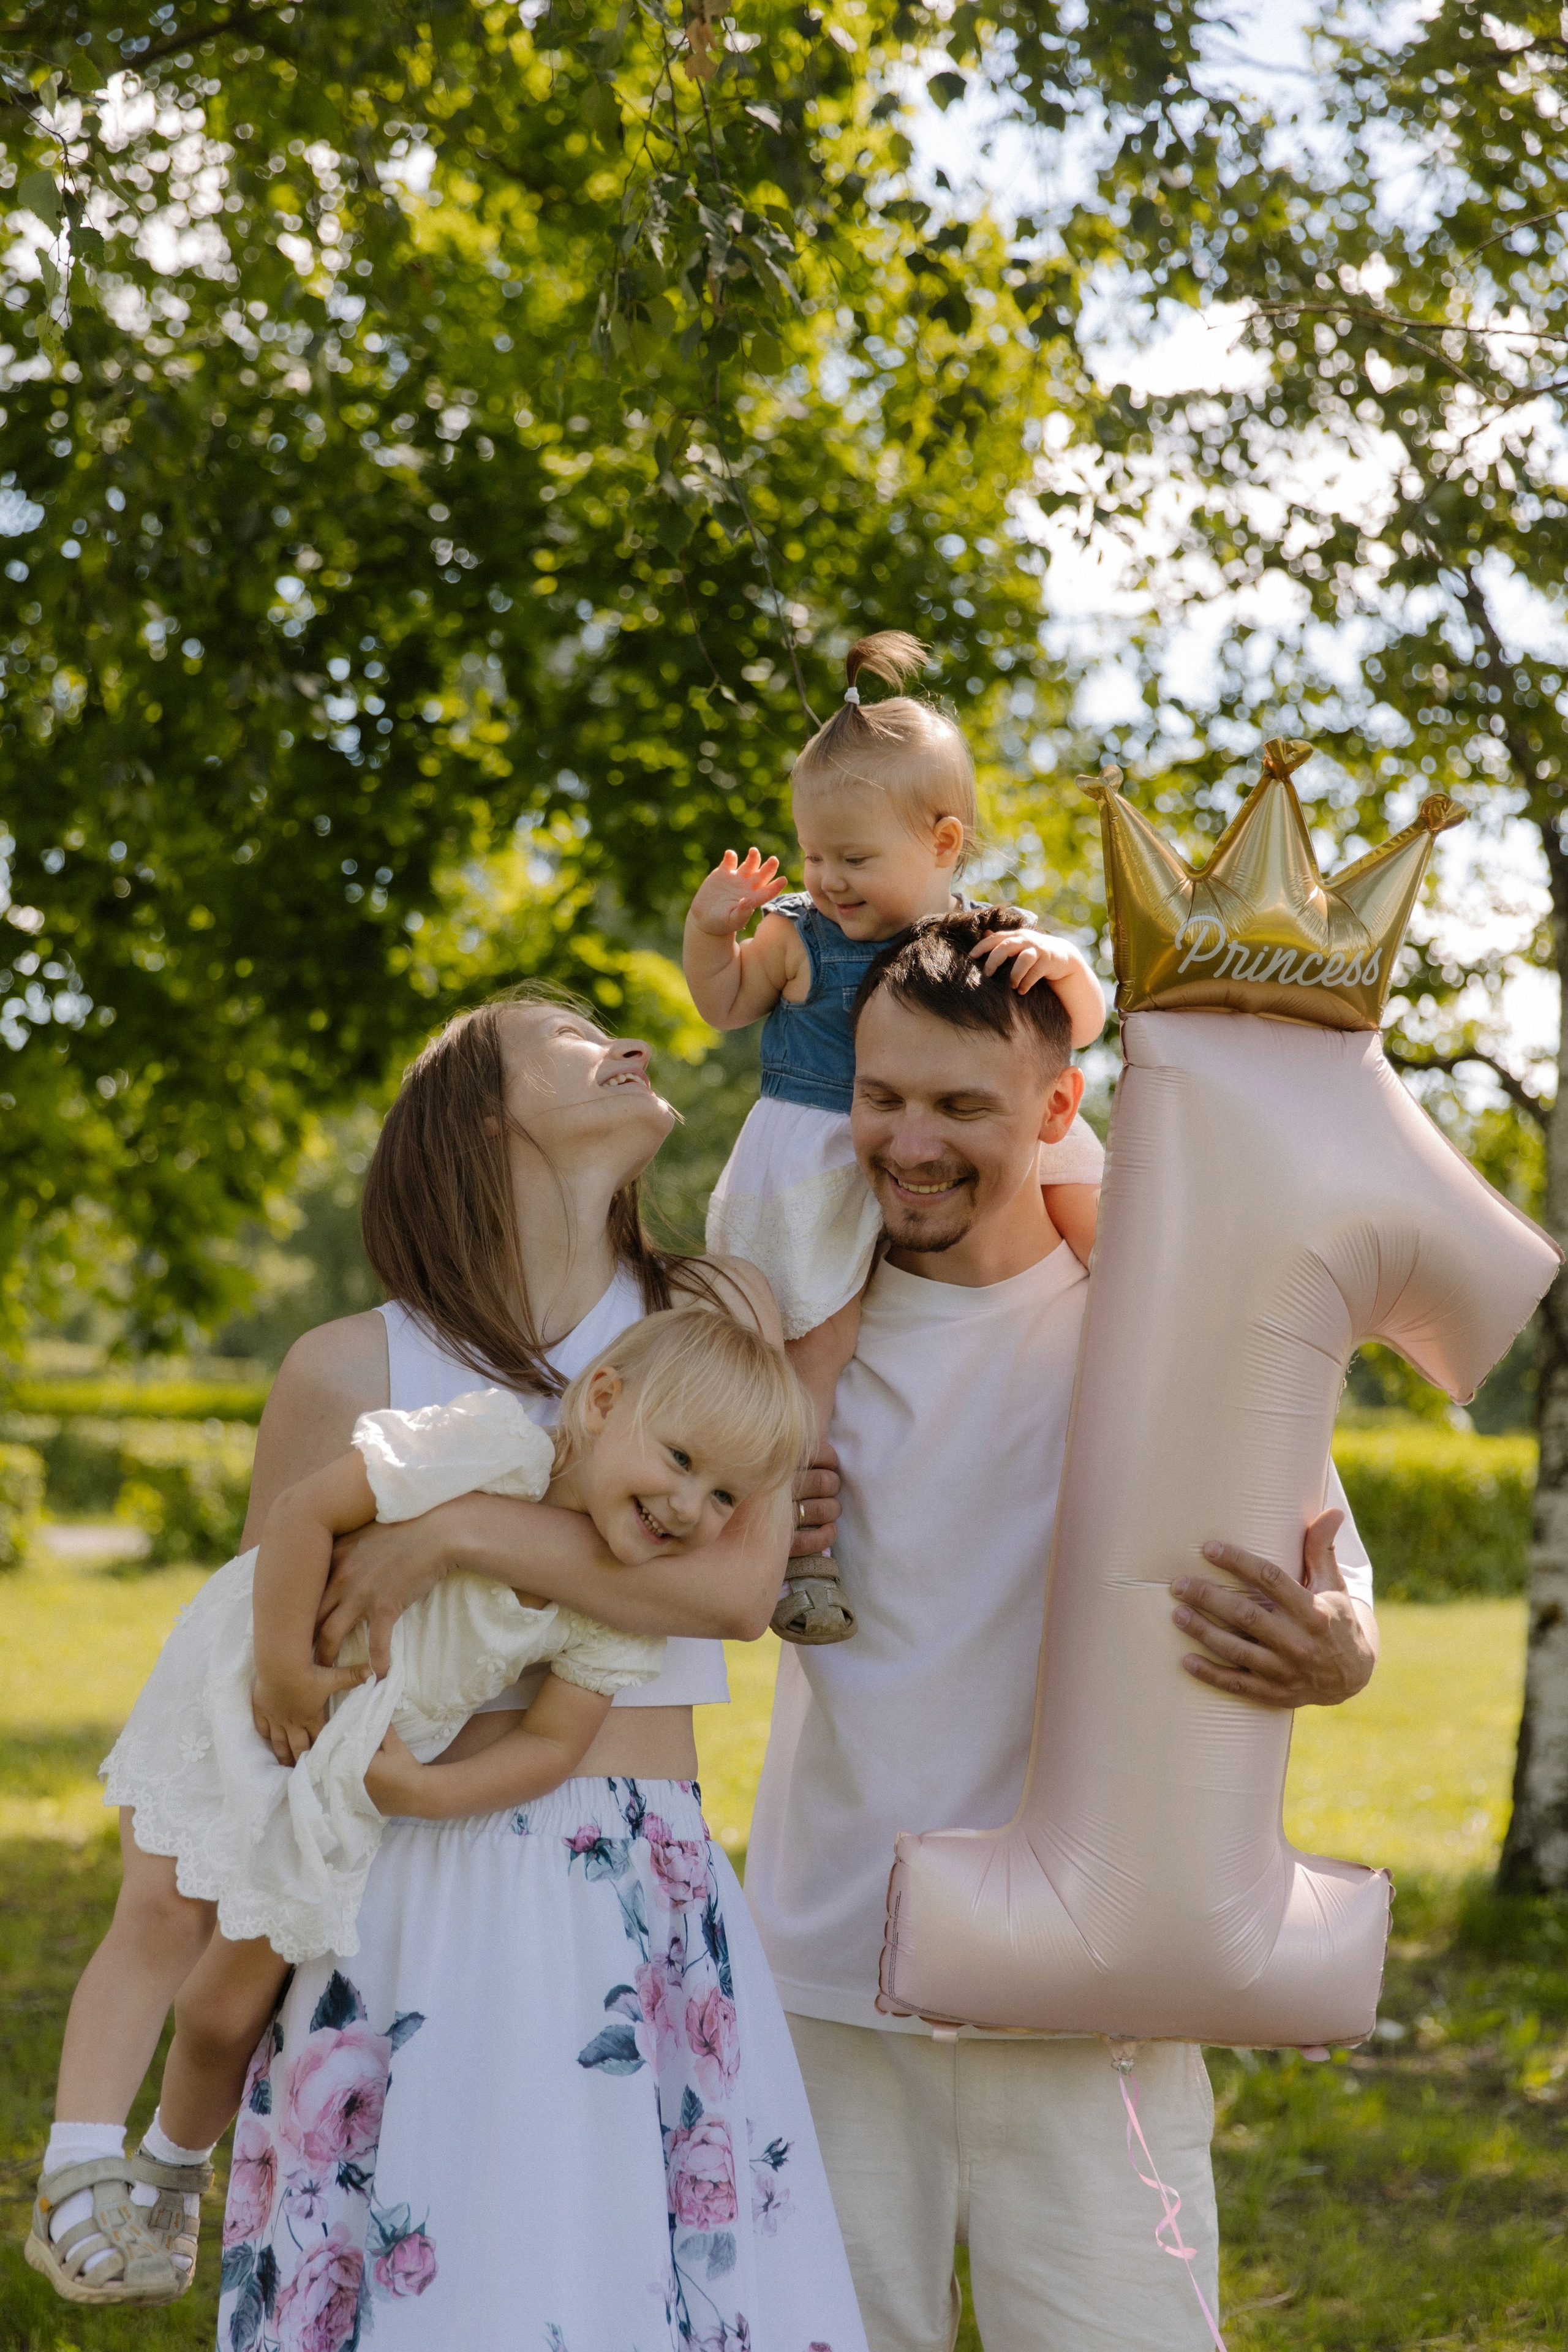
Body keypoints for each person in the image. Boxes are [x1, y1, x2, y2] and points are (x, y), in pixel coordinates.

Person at [38, 986, 870, 2350]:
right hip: (396, 1878)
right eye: (575, 1042)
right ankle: (117, 2155)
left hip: (627, 1866)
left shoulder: (712, 1313)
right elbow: (280, 1658)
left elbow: (729, 1590)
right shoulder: (347, 1365)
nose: (637, 1048)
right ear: (482, 1115)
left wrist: (467, 1532)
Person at [745, 907, 1380, 2352]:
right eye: (881, 1096)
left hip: (1096, 1988)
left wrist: (1342, 1648)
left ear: (1054, 1108)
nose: (909, 1141)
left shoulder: (1165, 1321)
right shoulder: (786, 1352)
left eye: (960, 1107)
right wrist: (740, 1538)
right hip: (831, 1977)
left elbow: (1330, 1575)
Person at [684, 630, 1106, 1644]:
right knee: (811, 1354)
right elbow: (724, 1003)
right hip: (819, 1166)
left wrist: (1060, 958)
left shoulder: (978, 941)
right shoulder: (797, 935)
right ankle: (796, 1544)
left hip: (931, 1184)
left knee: (1077, 1160)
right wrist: (713, 934)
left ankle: (1122, 1308)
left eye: (856, 859)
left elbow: (1077, 1027)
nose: (829, 879)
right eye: (816, 854)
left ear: (945, 844)